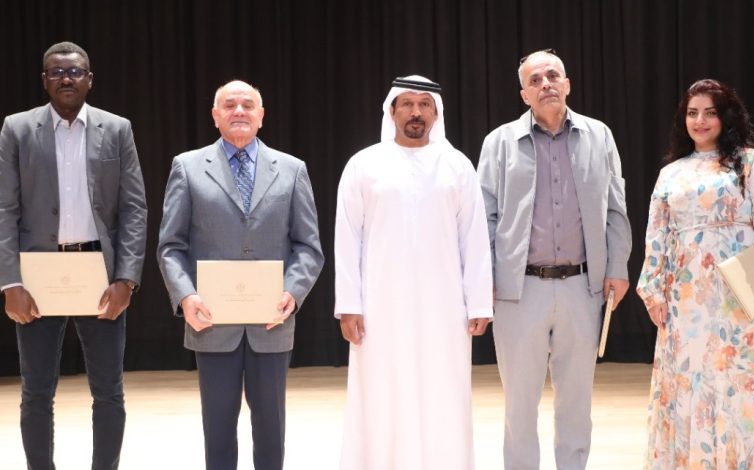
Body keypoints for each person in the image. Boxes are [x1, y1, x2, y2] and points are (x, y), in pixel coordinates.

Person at [477, 50, 632, 470]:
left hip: (583, 287)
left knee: (577, 402)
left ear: (567, 84)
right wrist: (484, 277)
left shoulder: (599, 136)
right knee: (519, 404)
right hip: (518, 291)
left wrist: (617, 267)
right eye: (535, 79)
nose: (545, 83)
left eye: (552, 76)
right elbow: (484, 216)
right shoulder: (499, 143)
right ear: (524, 95)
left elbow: (615, 208)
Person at [157, 80, 323, 470]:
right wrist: (186, 296)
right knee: (217, 430)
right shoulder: (187, 167)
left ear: (261, 116)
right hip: (211, 322)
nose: (239, 111)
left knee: (271, 430)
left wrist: (293, 291)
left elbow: (308, 247)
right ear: (215, 116)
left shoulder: (292, 169)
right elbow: (170, 246)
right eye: (229, 105)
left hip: (271, 321)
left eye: (248, 105)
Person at [0, 41, 147, 470]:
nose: (67, 78)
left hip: (98, 273)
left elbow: (134, 208)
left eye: (75, 71)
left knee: (109, 391)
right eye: (57, 72)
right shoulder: (17, 129)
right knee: (36, 392)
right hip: (37, 276)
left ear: (90, 80)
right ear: (44, 80)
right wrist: (10, 282)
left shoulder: (117, 129)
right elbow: (5, 209)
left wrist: (126, 279)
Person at [335, 75, 493, 470]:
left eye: (425, 104)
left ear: (436, 114)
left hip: (445, 310)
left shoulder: (457, 166)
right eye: (407, 103)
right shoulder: (363, 165)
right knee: (381, 393)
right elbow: (347, 238)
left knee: (444, 392)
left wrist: (478, 303)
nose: (416, 112)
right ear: (391, 111)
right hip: (380, 308)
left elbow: (474, 237)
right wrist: (349, 305)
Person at [637, 79, 754, 468]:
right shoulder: (671, 173)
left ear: (725, 116)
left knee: (742, 377)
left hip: (742, 290)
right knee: (693, 376)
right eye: (692, 113)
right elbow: (657, 235)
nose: (700, 121)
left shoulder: (750, 162)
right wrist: (653, 290)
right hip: (688, 296)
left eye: (710, 112)